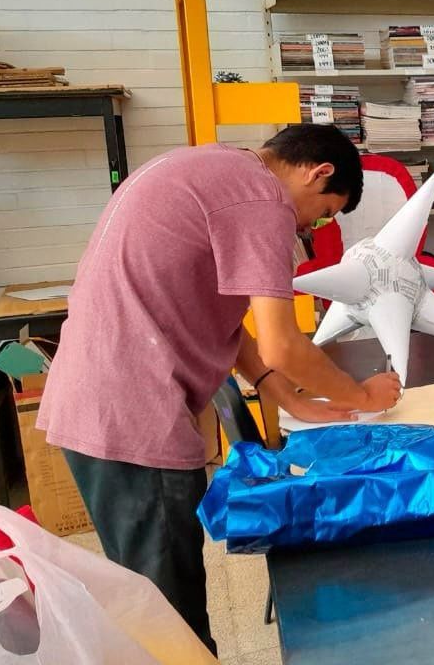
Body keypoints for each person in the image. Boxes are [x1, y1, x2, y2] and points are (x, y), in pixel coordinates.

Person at [36, 124, 403, 654]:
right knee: (171, 617)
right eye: (323, 212)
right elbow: (282, 344)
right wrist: (362, 397)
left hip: (96, 401)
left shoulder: (213, 170)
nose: (309, 227)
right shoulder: (263, 200)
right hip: (132, 415)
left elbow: (222, 318)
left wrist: (290, 398)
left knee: (151, 602)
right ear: (317, 172)